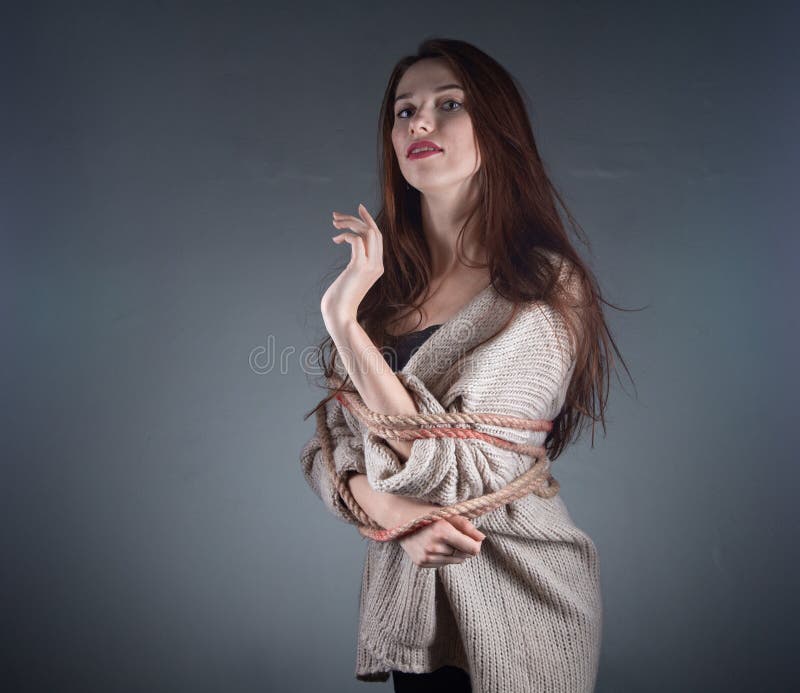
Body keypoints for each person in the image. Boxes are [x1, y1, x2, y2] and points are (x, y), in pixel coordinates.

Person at [300, 37, 632, 693]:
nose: (419, 123)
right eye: (404, 111)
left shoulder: (543, 290)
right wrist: (395, 518)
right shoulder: (386, 295)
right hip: (415, 616)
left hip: (518, 605)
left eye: (447, 104)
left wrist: (341, 322)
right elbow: (327, 450)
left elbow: (451, 464)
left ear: (496, 130)